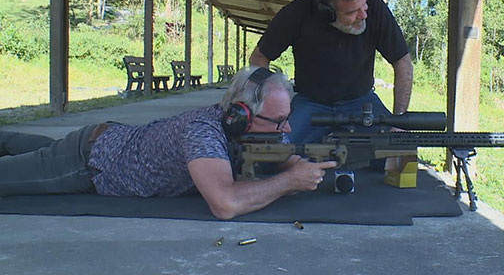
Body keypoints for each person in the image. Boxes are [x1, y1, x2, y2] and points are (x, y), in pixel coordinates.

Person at [0, 67, 337, 220]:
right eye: (278, 122)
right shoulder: (202, 133)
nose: (288, 127)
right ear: (240, 115)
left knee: (11, 141)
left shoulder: (242, 126)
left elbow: (277, 154)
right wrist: (290, 181)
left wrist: (296, 164)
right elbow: (226, 204)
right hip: (85, 165)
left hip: (104, 138)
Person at [249, 0, 413, 144]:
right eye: (352, 12)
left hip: (361, 101)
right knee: (276, 148)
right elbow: (259, 58)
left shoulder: (375, 9)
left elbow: (402, 62)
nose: (363, 14)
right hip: (310, 102)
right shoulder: (297, 13)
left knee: (396, 148)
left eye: (364, 4)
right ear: (327, 13)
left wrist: (399, 121)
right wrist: (267, 109)